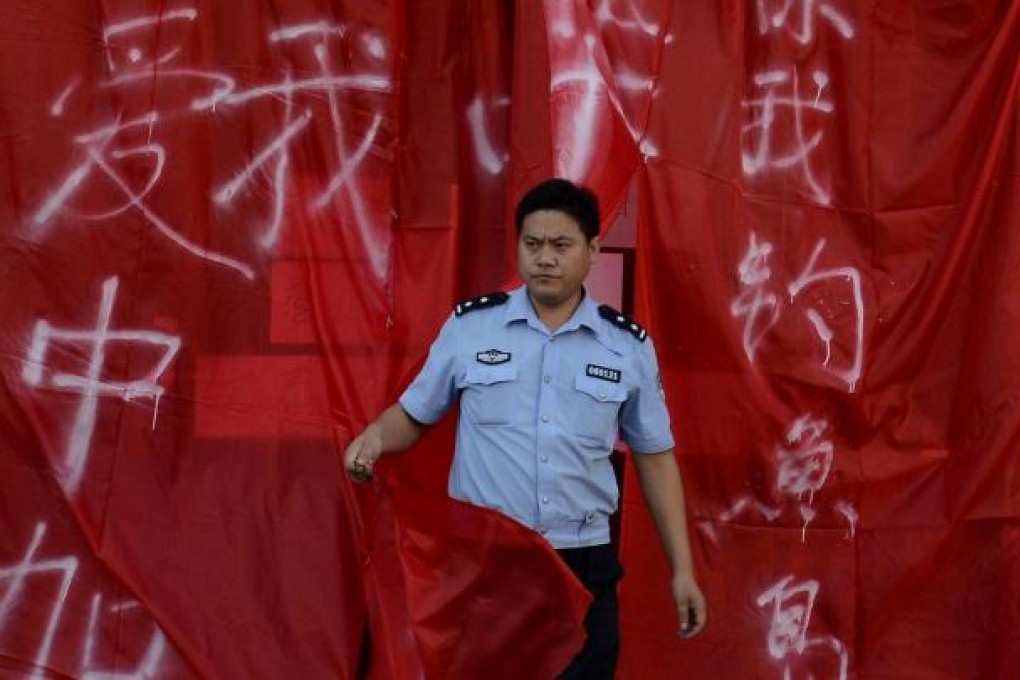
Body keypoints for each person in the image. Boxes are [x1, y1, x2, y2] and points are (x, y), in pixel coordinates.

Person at [344, 178, 706, 677]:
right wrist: (375, 439)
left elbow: (655, 456)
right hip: (489, 565)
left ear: (592, 250)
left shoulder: (626, 347)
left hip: (582, 562)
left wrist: (682, 568)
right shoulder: (471, 328)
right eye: (532, 244)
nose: (545, 259)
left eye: (561, 246)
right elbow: (412, 416)